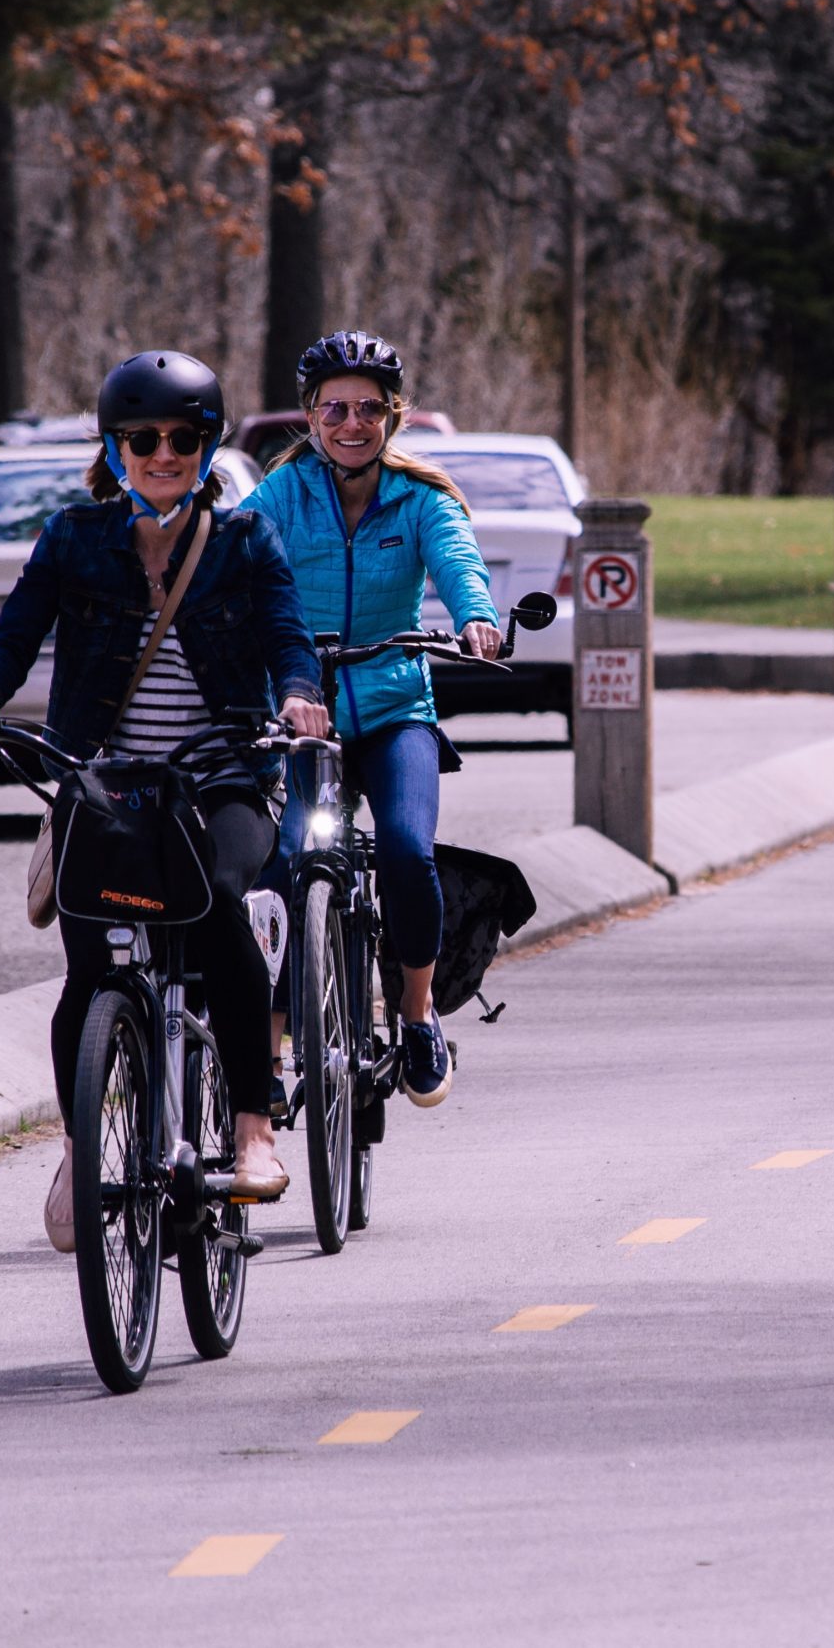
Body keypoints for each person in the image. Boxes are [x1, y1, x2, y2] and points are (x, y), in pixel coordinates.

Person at [0, 351, 329, 1250]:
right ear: (113, 449)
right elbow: (15, 635)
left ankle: (254, 1129)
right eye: (142, 439)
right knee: (92, 973)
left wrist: (299, 694)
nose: (162, 455)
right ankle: (83, 1141)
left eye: (182, 440)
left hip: (221, 774)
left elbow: (287, 636)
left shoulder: (244, 542)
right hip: (103, 784)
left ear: (208, 446)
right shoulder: (74, 538)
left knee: (220, 901)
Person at [248, 329, 499, 1107]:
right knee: (286, 860)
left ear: (394, 415)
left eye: (367, 409)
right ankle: (269, 1044)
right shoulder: (282, 495)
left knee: (404, 852)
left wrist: (477, 617)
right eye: (334, 410)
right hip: (302, 715)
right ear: (310, 415)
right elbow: (237, 562)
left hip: (395, 710)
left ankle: (417, 1017)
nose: (350, 424)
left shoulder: (422, 497)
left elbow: (459, 563)